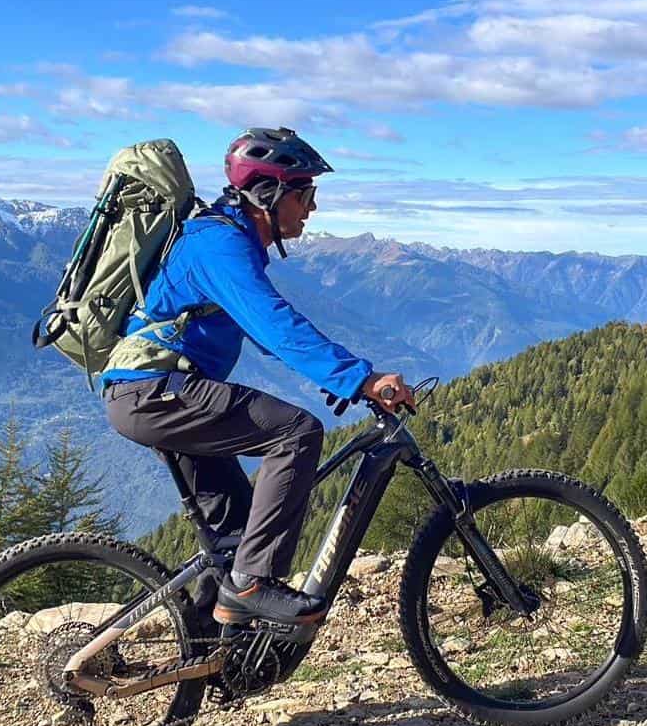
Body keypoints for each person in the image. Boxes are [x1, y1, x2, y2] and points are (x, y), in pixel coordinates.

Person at [102, 127, 415, 628]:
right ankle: (251, 585)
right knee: (296, 432)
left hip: (157, 391)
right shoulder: (219, 244)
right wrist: (359, 378)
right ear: (268, 193)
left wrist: (332, 378)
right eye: (304, 193)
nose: (311, 207)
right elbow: (276, 326)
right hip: (153, 391)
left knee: (238, 533)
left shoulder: (228, 238)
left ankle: (210, 658)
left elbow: (260, 330)